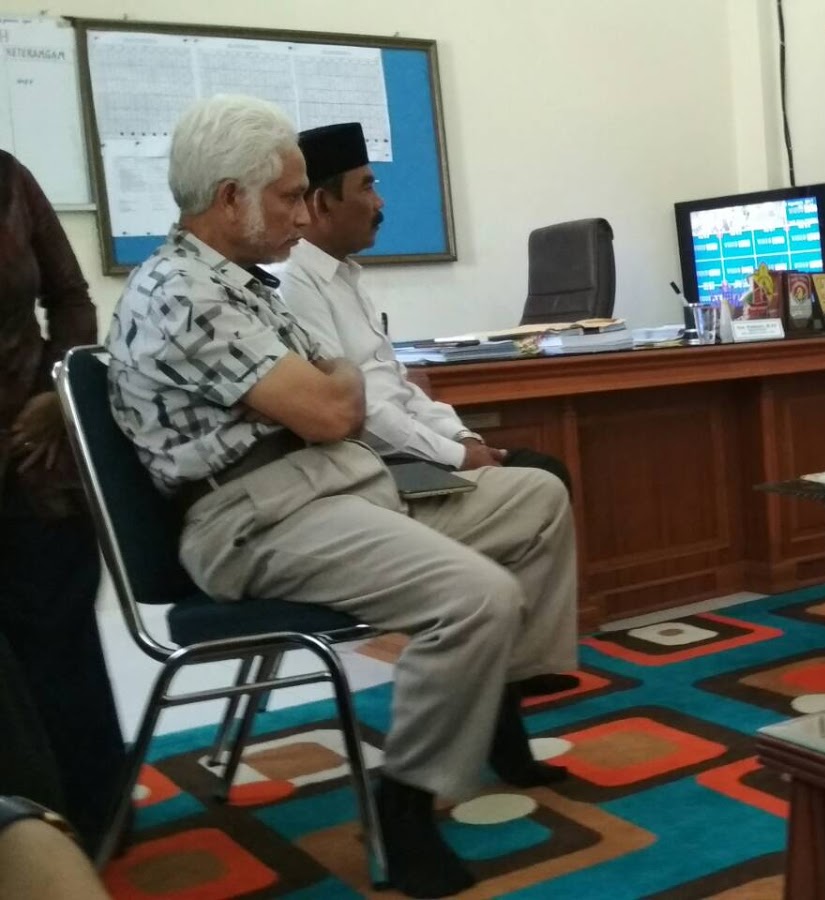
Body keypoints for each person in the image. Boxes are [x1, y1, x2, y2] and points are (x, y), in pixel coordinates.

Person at [104, 95, 577, 899]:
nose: (302, 213)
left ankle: (491, 704)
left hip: (331, 484)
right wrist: (333, 385)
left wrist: (333, 386)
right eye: (289, 197)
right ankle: (405, 801)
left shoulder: (241, 285)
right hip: (255, 516)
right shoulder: (183, 293)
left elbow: (338, 392)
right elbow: (333, 407)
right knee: (477, 597)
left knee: (534, 498)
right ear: (231, 198)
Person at [278, 123, 570, 488]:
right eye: (367, 187)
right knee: (541, 481)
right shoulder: (294, 282)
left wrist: (463, 438)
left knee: (543, 469)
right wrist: (458, 456)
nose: (379, 203)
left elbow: (398, 388)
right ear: (322, 204)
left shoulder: (344, 276)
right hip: (374, 465)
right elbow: (358, 412)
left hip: (409, 448)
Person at [0, 149, 124, 848]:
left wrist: (58, 391)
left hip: (35, 456)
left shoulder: (11, 178)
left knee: (61, 647)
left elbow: (72, 298)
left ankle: (97, 821)